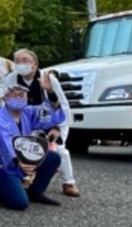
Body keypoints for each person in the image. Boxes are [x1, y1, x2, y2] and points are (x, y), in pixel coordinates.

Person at [5, 48, 79, 197]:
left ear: (35, 63)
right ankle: (25, 178)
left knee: (59, 149)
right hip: (24, 120)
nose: (21, 64)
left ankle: (68, 182)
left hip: (48, 119)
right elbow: (7, 100)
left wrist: (57, 127)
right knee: (23, 148)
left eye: (25, 60)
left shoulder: (48, 78)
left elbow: (61, 104)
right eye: (17, 61)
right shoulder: (11, 78)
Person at [0, 80, 66, 209]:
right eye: (13, 95)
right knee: (19, 203)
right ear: (4, 98)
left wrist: (50, 92)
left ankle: (35, 192)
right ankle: (1, 189)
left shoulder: (27, 112)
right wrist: (19, 161)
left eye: (21, 95)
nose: (18, 98)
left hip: (21, 158)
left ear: (26, 99)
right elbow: (6, 143)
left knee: (53, 158)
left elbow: (49, 111)